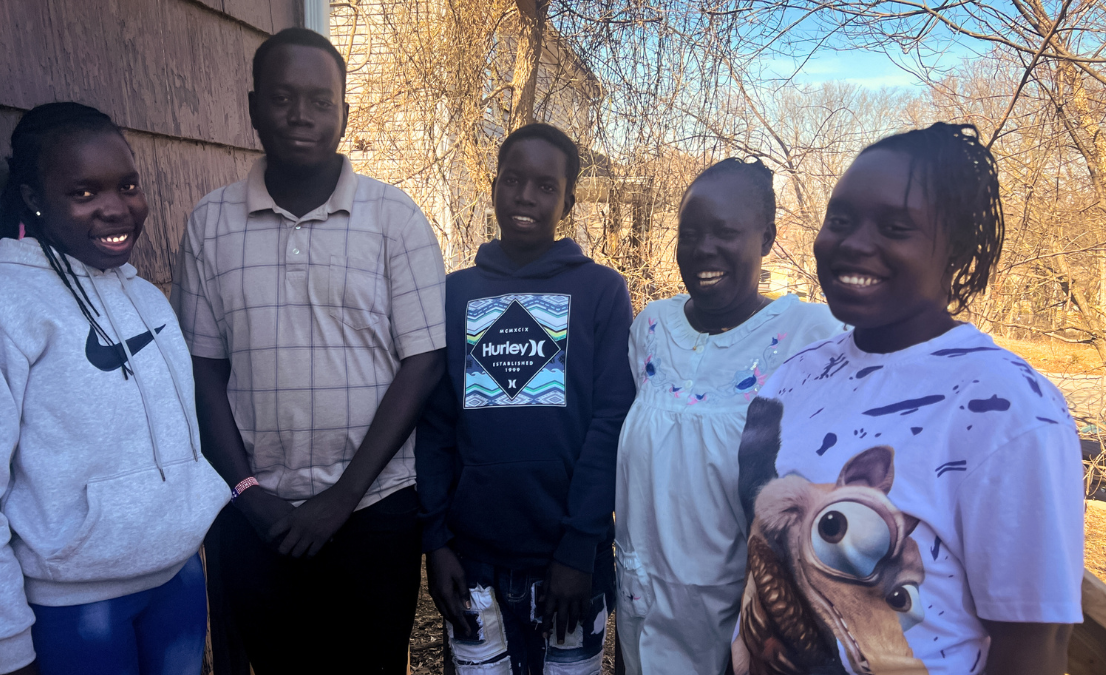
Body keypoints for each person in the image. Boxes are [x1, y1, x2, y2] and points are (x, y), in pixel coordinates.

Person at [732, 123, 1083, 675]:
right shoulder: (794, 378)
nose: (854, 243)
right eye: (840, 220)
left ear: (956, 250)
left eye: (895, 228)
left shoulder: (1009, 409)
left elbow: (1033, 646)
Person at [171, 28, 447, 673]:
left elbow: (424, 362)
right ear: (252, 107)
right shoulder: (210, 224)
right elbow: (202, 370)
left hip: (374, 509)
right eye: (282, 98)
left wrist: (342, 498)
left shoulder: (395, 219)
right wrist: (247, 492)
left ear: (343, 113)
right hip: (257, 513)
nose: (301, 115)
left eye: (321, 102)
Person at [0, 102, 229, 675]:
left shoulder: (147, 299)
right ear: (33, 197)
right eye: (84, 193)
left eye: (127, 186)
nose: (116, 207)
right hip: (74, 609)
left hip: (178, 582)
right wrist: (6, 642)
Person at [416, 123, 635, 675]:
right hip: (473, 565)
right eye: (512, 180)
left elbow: (611, 421)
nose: (525, 197)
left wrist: (579, 547)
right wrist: (435, 543)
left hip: (571, 564)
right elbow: (436, 426)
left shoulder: (601, 291)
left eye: (546, 186)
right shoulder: (455, 293)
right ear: (493, 186)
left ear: (569, 201)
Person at [613, 158, 844, 674]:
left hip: (744, 626)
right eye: (689, 234)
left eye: (725, 232)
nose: (703, 249)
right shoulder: (651, 329)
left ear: (767, 238)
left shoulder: (810, 338)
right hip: (641, 602)